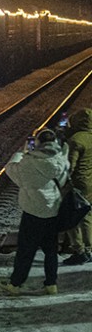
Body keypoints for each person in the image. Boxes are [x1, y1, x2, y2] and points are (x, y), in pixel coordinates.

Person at [1, 128, 70, 295]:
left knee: (26, 251)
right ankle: (51, 284)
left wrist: (21, 152)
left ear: (37, 143)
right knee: (51, 251)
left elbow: (10, 169)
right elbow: (64, 163)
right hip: (53, 212)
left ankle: (15, 284)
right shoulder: (61, 161)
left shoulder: (29, 163)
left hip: (32, 214)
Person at [63, 108, 92, 264]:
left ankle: (79, 251)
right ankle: (89, 249)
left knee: (71, 217)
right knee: (87, 216)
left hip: (78, 184)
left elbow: (69, 166)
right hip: (91, 183)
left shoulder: (76, 140)